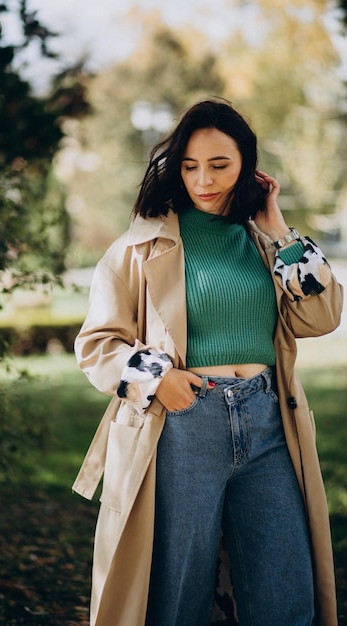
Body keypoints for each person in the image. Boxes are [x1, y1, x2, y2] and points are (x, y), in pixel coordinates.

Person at [73, 99, 343, 626]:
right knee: (177, 597)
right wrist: (161, 379)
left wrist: (280, 229)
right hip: (183, 427)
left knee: (286, 593)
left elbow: (322, 314)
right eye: (190, 166)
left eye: (219, 165)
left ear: (247, 163)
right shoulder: (141, 242)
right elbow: (97, 344)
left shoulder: (264, 243)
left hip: (269, 425)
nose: (203, 180)